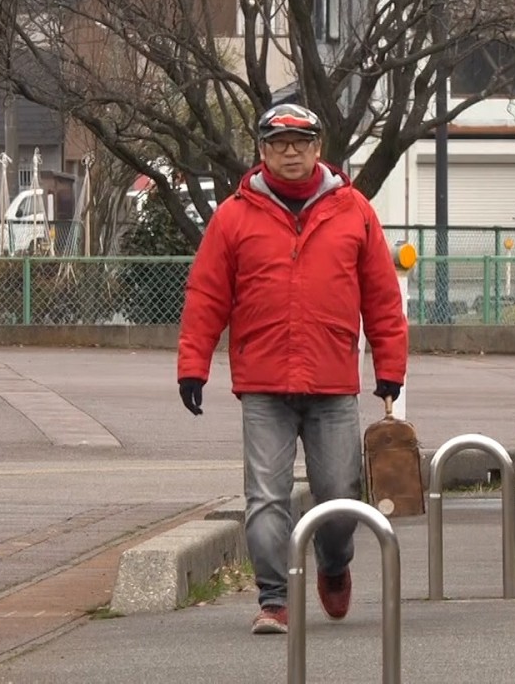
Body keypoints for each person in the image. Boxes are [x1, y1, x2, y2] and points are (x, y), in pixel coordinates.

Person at [175, 103, 409, 635]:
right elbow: (207, 294)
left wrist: (390, 367)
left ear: (318, 148)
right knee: (265, 498)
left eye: (301, 143)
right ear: (262, 151)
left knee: (341, 497)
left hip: (332, 383)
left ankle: (333, 564)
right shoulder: (234, 215)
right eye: (279, 144)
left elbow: (381, 298)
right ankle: (274, 599)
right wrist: (193, 364)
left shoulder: (354, 211)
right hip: (262, 383)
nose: (290, 152)